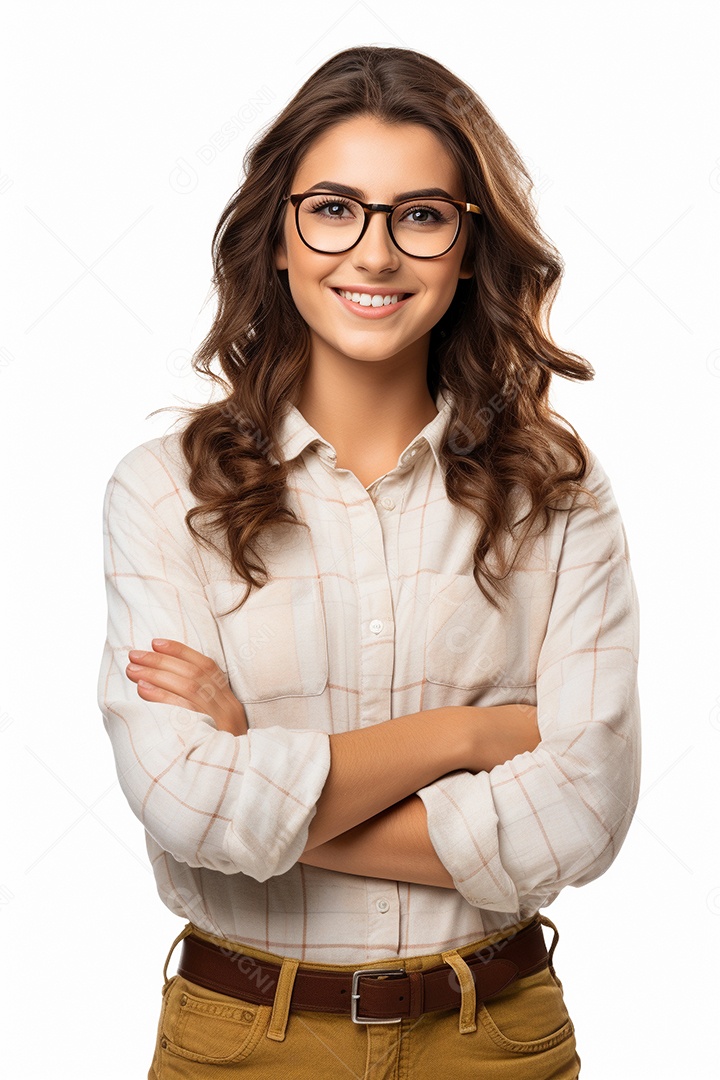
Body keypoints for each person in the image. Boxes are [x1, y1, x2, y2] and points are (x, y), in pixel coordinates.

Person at [97, 45, 641, 1079]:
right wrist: (469, 735)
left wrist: (261, 768)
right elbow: (182, 796)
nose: (375, 254)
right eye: (335, 209)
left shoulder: (558, 494)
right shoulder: (166, 491)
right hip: (245, 1042)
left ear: (469, 248)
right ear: (279, 235)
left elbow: (582, 818)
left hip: (494, 1039)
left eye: (421, 215)